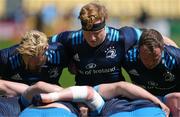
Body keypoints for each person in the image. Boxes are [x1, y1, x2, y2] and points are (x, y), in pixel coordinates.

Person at [48, 2, 177, 116]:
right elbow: (44, 44)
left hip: (115, 97)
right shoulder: (72, 39)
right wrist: (68, 59)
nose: (92, 38)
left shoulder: (122, 37)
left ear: (104, 24)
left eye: (96, 33)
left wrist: (176, 51)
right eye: (87, 33)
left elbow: (156, 37)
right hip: (84, 96)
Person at [0, 30, 68, 116]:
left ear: (46, 48)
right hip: (16, 100)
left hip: (50, 99)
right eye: (27, 56)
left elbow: (76, 67)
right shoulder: (6, 57)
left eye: (35, 56)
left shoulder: (59, 53)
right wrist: (27, 90)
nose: (30, 63)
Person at [18, 81, 169, 117]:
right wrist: (157, 101)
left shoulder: (100, 102)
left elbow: (39, 85)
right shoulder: (99, 103)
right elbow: (88, 93)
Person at [122, 29, 180, 117]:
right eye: (145, 58)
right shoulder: (128, 57)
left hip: (172, 100)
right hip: (144, 100)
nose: (150, 63)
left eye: (155, 58)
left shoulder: (176, 58)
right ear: (138, 49)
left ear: (163, 48)